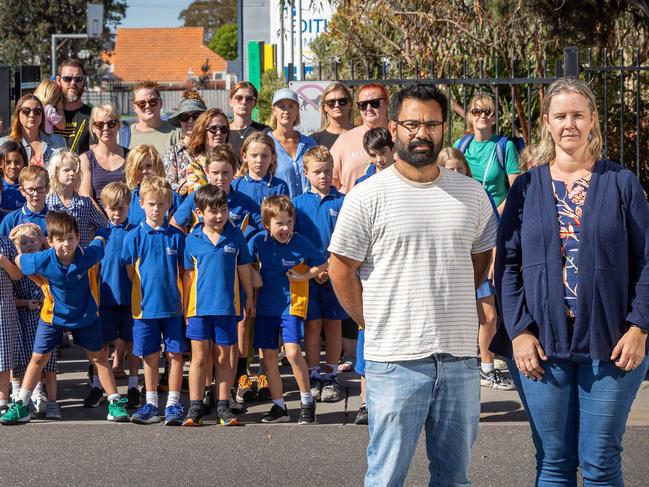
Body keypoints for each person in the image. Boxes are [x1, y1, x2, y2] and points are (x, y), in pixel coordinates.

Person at [328, 83, 497, 485]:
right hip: (394, 361)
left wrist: (450, 296)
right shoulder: (367, 196)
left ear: (443, 128)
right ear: (393, 127)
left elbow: (480, 257)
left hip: (458, 359)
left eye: (432, 124)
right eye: (412, 124)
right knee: (387, 476)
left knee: (455, 478)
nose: (422, 133)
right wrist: (371, 320)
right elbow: (340, 269)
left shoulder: (471, 194)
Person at [494, 77, 649, 486]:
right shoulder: (526, 188)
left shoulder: (621, 183)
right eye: (560, 115)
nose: (569, 124)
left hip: (612, 347)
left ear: (593, 119)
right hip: (542, 348)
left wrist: (639, 327)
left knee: (600, 461)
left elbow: (647, 259)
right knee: (554, 461)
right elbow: (506, 265)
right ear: (546, 121)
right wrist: (519, 332)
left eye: (578, 115)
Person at [0, 211, 129, 424]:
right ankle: (21, 405)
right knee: (38, 358)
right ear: (49, 242)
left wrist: (109, 225)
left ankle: (114, 402)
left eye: (71, 238)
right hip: (52, 316)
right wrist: (42, 283)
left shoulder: (89, 254)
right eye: (60, 240)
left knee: (98, 358)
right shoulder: (42, 259)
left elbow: (101, 237)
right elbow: (20, 261)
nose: (66, 244)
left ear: (78, 238)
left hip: (85, 315)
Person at [248, 195, 327, 423]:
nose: (286, 228)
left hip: (291, 305)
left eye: (289, 222)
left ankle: (306, 401)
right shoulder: (258, 242)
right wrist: (254, 275)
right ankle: (278, 406)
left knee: (292, 353)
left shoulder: (300, 241)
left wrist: (304, 276)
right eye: (279, 223)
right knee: (269, 358)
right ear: (267, 225)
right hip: (265, 307)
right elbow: (244, 263)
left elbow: (323, 263)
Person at [181, 185, 254, 427]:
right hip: (199, 309)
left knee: (224, 358)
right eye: (213, 211)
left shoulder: (235, 236)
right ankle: (195, 407)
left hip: (227, 307)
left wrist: (249, 299)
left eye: (223, 209)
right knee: (199, 358)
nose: (220, 216)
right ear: (200, 213)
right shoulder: (192, 240)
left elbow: (244, 270)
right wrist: (185, 309)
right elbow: (188, 278)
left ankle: (223, 405)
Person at [122, 176, 187, 426]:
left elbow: (183, 272)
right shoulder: (134, 236)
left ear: (169, 204)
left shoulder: (177, 237)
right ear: (141, 204)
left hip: (172, 307)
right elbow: (130, 271)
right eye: (151, 204)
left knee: (175, 355)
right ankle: (150, 403)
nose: (156, 209)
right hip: (144, 308)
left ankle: (172, 403)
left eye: (161, 204)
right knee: (148, 356)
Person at [347, 127, 396, 425]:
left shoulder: (406, 180)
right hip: (370, 273)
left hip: (395, 270)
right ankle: (366, 402)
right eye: (373, 155)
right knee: (367, 336)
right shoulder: (363, 185)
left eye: (383, 153)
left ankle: (389, 401)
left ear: (393, 149)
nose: (379, 159)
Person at [293, 146, 347, 403]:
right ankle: (313, 374)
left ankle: (331, 374)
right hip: (308, 275)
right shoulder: (298, 205)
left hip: (336, 273)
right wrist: (313, 271)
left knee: (333, 324)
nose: (323, 176)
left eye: (327, 170)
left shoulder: (343, 201)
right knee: (312, 325)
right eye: (317, 171)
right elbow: (294, 239)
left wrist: (328, 268)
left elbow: (347, 239)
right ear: (306, 173)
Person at [93, 182, 140, 410]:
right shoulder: (101, 234)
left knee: (132, 343)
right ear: (104, 206)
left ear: (129, 206)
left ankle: (132, 385)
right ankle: (98, 385)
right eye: (112, 208)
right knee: (102, 345)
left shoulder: (135, 231)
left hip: (131, 298)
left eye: (121, 207)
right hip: (106, 298)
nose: (116, 212)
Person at [9, 223, 59, 419]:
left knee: (49, 364)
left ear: (42, 242)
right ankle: (21, 396)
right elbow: (11, 297)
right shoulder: (17, 270)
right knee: (23, 360)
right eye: (24, 242)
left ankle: (52, 402)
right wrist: (24, 303)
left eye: (33, 240)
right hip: (24, 319)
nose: (29, 244)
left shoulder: (48, 265)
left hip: (47, 319)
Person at [171, 145, 262, 240]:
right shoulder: (196, 197)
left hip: (233, 252)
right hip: (201, 252)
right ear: (207, 171)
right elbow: (175, 223)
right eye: (215, 173)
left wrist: (252, 246)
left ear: (234, 171)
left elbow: (266, 227)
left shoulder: (244, 201)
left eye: (225, 172)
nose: (220, 178)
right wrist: (187, 245)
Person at [454, 93, 521, 212]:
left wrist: (495, 216)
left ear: (494, 118)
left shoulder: (505, 146)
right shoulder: (460, 146)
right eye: (477, 111)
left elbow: (515, 190)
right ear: (470, 116)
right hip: (467, 215)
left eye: (488, 111)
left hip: (497, 217)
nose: (483, 115)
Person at [330, 83, 389, 194]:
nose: (368, 108)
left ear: (386, 103)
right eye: (363, 105)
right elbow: (330, 182)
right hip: (354, 208)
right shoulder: (344, 141)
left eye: (374, 103)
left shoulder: (399, 136)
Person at [45, 150, 107, 247]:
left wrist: (95, 242)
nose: (72, 173)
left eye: (74, 170)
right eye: (66, 170)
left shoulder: (85, 203)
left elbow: (103, 224)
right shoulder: (47, 203)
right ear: (56, 172)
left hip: (80, 256)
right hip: (55, 256)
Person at [268, 88, 317, 198]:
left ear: (297, 110)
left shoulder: (309, 144)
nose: (286, 111)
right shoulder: (266, 144)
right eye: (281, 106)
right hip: (280, 210)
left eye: (291, 106)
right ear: (274, 110)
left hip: (308, 209)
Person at [79, 104, 128, 207]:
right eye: (100, 125)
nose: (106, 128)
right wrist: (105, 222)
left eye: (111, 123)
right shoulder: (85, 159)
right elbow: (86, 197)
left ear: (118, 125)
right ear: (93, 128)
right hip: (97, 221)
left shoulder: (131, 157)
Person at [0, 95, 66, 168]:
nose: (32, 115)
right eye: (26, 110)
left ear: (42, 115)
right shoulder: (3, 144)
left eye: (37, 111)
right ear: (18, 114)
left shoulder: (58, 141)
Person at [125, 145, 182, 226]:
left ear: (157, 166)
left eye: (149, 166)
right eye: (139, 168)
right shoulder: (129, 199)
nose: (144, 171)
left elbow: (181, 228)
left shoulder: (172, 197)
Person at [163, 90, 207, 194]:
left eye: (196, 116)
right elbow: (167, 188)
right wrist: (181, 187)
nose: (190, 121)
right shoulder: (171, 153)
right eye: (185, 117)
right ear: (180, 121)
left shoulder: (212, 148)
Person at [124, 80, 180, 157]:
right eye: (141, 103)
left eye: (152, 101)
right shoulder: (123, 136)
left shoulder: (176, 135)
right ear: (134, 107)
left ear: (160, 103)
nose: (147, 106)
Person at [232, 132, 289, 206]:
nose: (259, 160)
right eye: (254, 155)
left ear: (272, 158)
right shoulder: (235, 185)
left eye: (264, 156)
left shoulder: (280, 186)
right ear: (244, 157)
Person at [183, 108, 231, 195]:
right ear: (202, 131)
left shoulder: (235, 162)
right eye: (213, 128)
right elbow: (199, 198)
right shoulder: (195, 166)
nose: (219, 132)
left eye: (223, 129)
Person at [0, 230, 22, 415]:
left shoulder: (6, 243)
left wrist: (4, 262)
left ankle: (3, 400)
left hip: (3, 306)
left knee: (4, 355)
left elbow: (17, 275)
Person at [54, 58, 93, 154]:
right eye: (67, 78)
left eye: (78, 79)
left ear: (84, 81)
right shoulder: (43, 114)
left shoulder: (93, 116)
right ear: (58, 80)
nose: (73, 83)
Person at [0, 166, 50, 237]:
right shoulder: (11, 219)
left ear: (48, 188)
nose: (35, 194)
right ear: (22, 191)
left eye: (40, 188)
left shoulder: (57, 219)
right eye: (30, 189)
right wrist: (10, 243)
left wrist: (43, 241)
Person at [228, 81, 270, 160]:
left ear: (254, 103)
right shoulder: (222, 132)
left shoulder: (265, 132)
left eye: (249, 99)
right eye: (238, 98)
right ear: (230, 101)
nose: (243, 102)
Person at [311, 82, 355, 149]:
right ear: (324, 107)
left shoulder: (363, 135)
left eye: (342, 101)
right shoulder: (314, 140)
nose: (337, 105)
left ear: (350, 104)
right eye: (331, 102)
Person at [0, 140, 28, 216]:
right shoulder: (1, 186)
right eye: (8, 162)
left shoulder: (29, 187)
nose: (13, 166)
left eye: (17, 162)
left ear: (24, 163)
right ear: (0, 163)